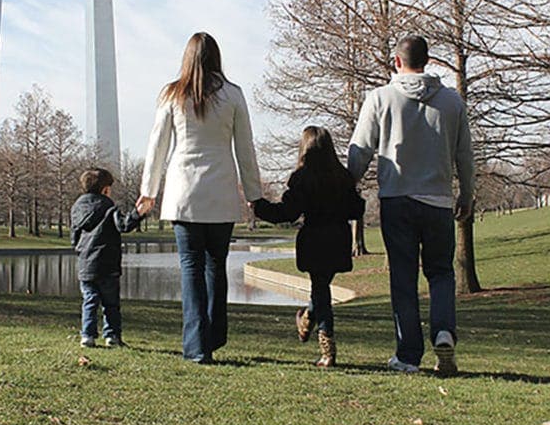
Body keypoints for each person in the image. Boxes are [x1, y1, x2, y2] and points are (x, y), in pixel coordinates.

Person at [347, 35, 474, 376]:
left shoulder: (380, 98)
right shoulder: (452, 102)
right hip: (438, 201)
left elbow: (360, 149)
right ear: (428, 60)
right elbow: (465, 154)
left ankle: (408, 355)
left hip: (397, 199)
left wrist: (347, 186)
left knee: (403, 278)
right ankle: (444, 332)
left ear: (396, 62)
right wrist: (467, 194)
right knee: (441, 273)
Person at [138, 32, 262, 364]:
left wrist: (148, 192)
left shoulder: (172, 94)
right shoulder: (233, 95)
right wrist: (254, 194)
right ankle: (214, 334)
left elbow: (157, 147)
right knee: (215, 266)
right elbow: (245, 148)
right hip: (220, 191)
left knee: (191, 268)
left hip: (183, 192)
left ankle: (196, 345)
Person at [252, 126, 364, 368]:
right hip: (338, 239)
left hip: (315, 239)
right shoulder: (343, 177)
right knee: (321, 288)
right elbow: (356, 209)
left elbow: (286, 213)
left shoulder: (302, 179)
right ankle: (308, 318)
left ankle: (327, 348)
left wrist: (258, 206)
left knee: (320, 290)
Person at [70, 167, 143, 348]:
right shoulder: (109, 207)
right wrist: (139, 212)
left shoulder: (77, 207)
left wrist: (81, 250)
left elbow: (74, 237)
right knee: (111, 304)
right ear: (105, 189)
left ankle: (87, 335)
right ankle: (112, 336)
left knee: (89, 299)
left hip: (86, 263)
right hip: (107, 263)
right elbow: (124, 226)